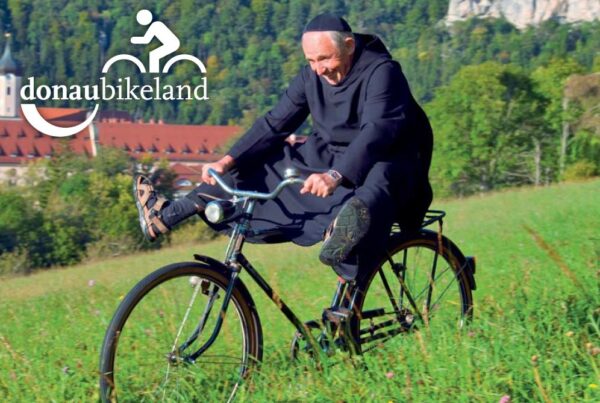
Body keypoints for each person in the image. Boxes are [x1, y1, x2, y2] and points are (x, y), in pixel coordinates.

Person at [134, 13, 433, 282]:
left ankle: (343, 245)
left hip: (391, 158)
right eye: (311, 61)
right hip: (333, 156)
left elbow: (377, 131)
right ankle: (166, 215)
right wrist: (226, 161)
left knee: (368, 200)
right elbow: (274, 124)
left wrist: (335, 175)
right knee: (260, 166)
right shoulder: (311, 76)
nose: (318, 70)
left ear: (350, 45)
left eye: (325, 59)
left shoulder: (382, 72)